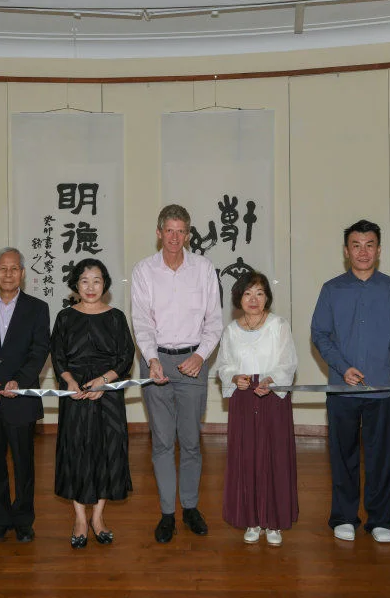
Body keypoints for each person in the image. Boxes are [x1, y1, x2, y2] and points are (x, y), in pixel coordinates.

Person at [310, 219, 390, 544]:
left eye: (370, 245)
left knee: (383, 457)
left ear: (379, 250)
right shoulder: (331, 289)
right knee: (343, 456)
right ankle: (344, 516)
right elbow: (320, 334)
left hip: (384, 389)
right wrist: (342, 367)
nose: (363, 251)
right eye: (356, 245)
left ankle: (381, 519)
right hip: (342, 388)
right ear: (346, 251)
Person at [130, 204, 222, 543]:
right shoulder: (143, 271)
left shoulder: (203, 269)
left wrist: (201, 356)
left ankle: (191, 506)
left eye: (181, 231)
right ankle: (168, 512)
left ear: (188, 234)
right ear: (158, 232)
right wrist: (151, 359)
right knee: (163, 441)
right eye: (168, 230)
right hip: (157, 363)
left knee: (192, 441)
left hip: (193, 362)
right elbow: (141, 320)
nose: (174, 237)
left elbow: (214, 320)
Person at [0, 247, 50, 543]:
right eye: (2, 268)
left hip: (20, 399)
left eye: (14, 268)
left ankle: (24, 521)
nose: (8, 273)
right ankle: (0, 520)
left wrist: (20, 380)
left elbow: (39, 350)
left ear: (23, 274)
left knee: (24, 464)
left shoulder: (38, 308)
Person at [50, 259, 135, 549]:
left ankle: (98, 517)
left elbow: (126, 357)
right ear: (76, 283)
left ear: (105, 284)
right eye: (84, 280)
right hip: (73, 393)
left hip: (107, 393)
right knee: (76, 451)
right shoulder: (64, 317)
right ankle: (79, 519)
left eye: (96, 280)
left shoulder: (116, 317)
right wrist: (69, 382)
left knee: (106, 451)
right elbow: (58, 355)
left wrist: (104, 381)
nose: (90, 287)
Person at [213, 272, 299, 547]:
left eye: (259, 293)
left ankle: (273, 522)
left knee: (275, 458)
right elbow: (224, 365)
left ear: (267, 298)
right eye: (248, 293)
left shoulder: (278, 325)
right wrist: (234, 376)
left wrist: (272, 379)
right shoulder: (231, 331)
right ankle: (251, 519)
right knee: (246, 458)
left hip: (272, 397)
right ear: (239, 297)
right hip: (243, 399)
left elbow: (288, 361)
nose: (253, 299)